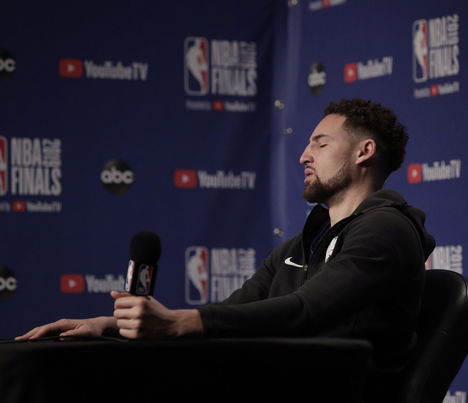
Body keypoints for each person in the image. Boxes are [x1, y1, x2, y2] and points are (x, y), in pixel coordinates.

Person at [16, 98, 435, 369]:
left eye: (321, 144)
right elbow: (232, 315)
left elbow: (307, 311)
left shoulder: (386, 230)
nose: (304, 155)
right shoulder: (300, 246)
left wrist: (181, 323)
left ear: (364, 152)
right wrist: (112, 325)